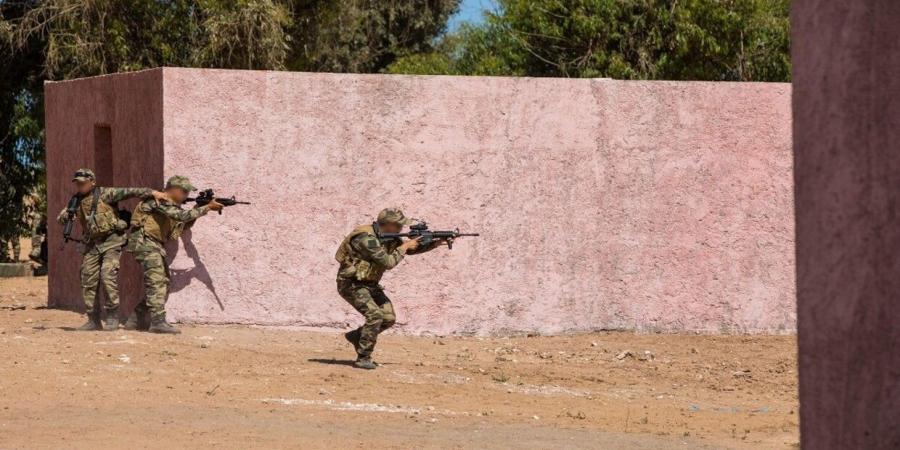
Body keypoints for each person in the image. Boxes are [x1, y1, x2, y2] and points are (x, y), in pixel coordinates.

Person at [55, 169, 169, 331]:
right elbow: (61, 218)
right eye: (77, 183)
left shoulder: (105, 194)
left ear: (92, 182)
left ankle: (112, 316)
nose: (80, 185)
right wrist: (66, 215)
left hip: (112, 241)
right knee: (88, 279)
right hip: (92, 245)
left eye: (83, 182)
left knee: (107, 275)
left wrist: (152, 193)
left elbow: (130, 192)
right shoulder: (76, 201)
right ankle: (93, 320)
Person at [334, 208, 444, 369]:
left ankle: (357, 336)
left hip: (370, 284)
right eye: (398, 225)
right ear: (389, 225)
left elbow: (410, 249)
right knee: (375, 315)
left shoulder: (389, 237)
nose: (401, 228)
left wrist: (434, 243)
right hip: (351, 284)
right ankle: (363, 357)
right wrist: (405, 246)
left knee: (388, 318)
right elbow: (388, 262)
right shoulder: (365, 238)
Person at [125, 175, 222, 334]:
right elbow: (181, 216)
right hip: (145, 243)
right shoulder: (159, 201)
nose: (185, 195)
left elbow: (183, 224)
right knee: (157, 282)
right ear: (173, 189)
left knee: (162, 283)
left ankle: (136, 318)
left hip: (154, 245)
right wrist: (206, 208)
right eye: (183, 191)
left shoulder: (171, 206)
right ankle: (157, 322)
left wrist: (198, 207)